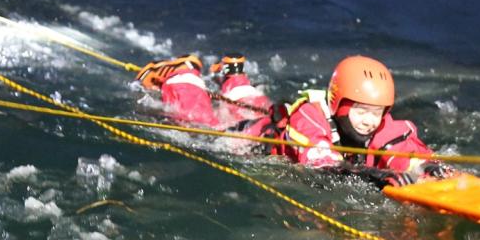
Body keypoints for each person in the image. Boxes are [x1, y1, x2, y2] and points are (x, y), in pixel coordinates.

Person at [134, 53, 454, 188]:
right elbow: (323, 165)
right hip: (253, 141)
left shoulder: (377, 121)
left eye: (377, 111)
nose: (370, 121)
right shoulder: (311, 118)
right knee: (198, 122)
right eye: (361, 111)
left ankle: (233, 76)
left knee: (253, 104)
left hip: (272, 118)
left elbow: (403, 144)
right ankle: (182, 75)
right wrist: (376, 178)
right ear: (338, 104)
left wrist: (426, 166)